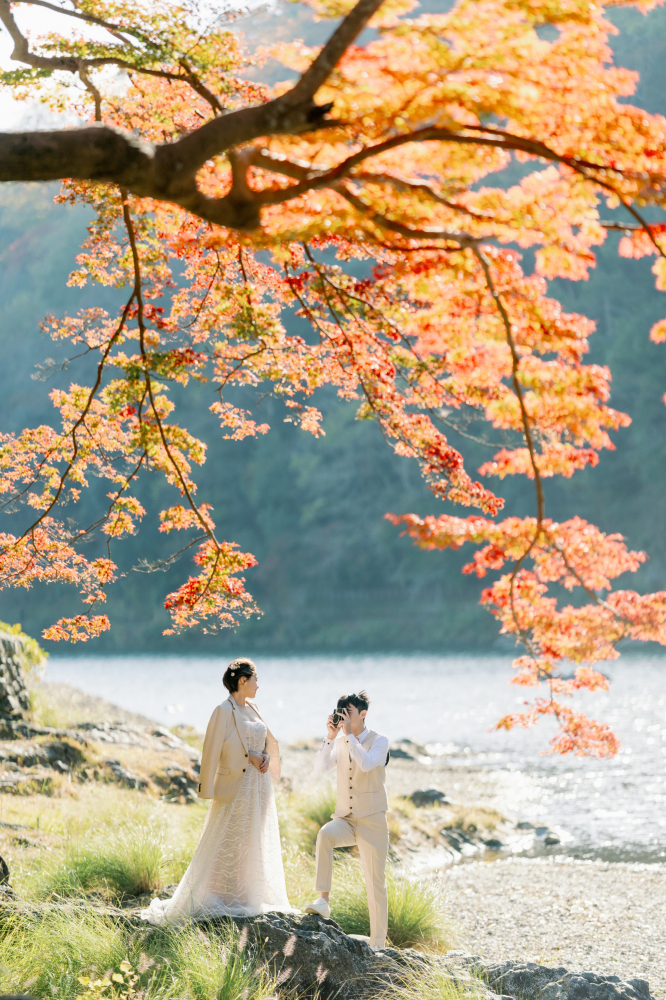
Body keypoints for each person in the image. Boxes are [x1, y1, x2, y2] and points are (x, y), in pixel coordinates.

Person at [141, 657, 292, 924]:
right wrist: (247, 759)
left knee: (251, 839)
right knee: (229, 839)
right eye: (255, 679)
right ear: (242, 681)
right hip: (236, 786)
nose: (259, 685)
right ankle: (220, 894)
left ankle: (247, 894)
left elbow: (263, 739)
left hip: (259, 786)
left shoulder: (254, 708)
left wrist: (266, 755)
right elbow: (213, 750)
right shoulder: (223, 710)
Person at [305, 691, 389, 950]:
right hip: (346, 818)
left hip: (372, 820)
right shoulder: (340, 741)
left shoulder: (380, 741)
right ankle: (323, 899)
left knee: (375, 882)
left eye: (348, 714)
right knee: (325, 834)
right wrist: (331, 737)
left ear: (363, 714)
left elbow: (366, 764)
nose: (344, 719)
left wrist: (349, 737)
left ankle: (377, 944)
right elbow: (319, 768)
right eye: (341, 713)